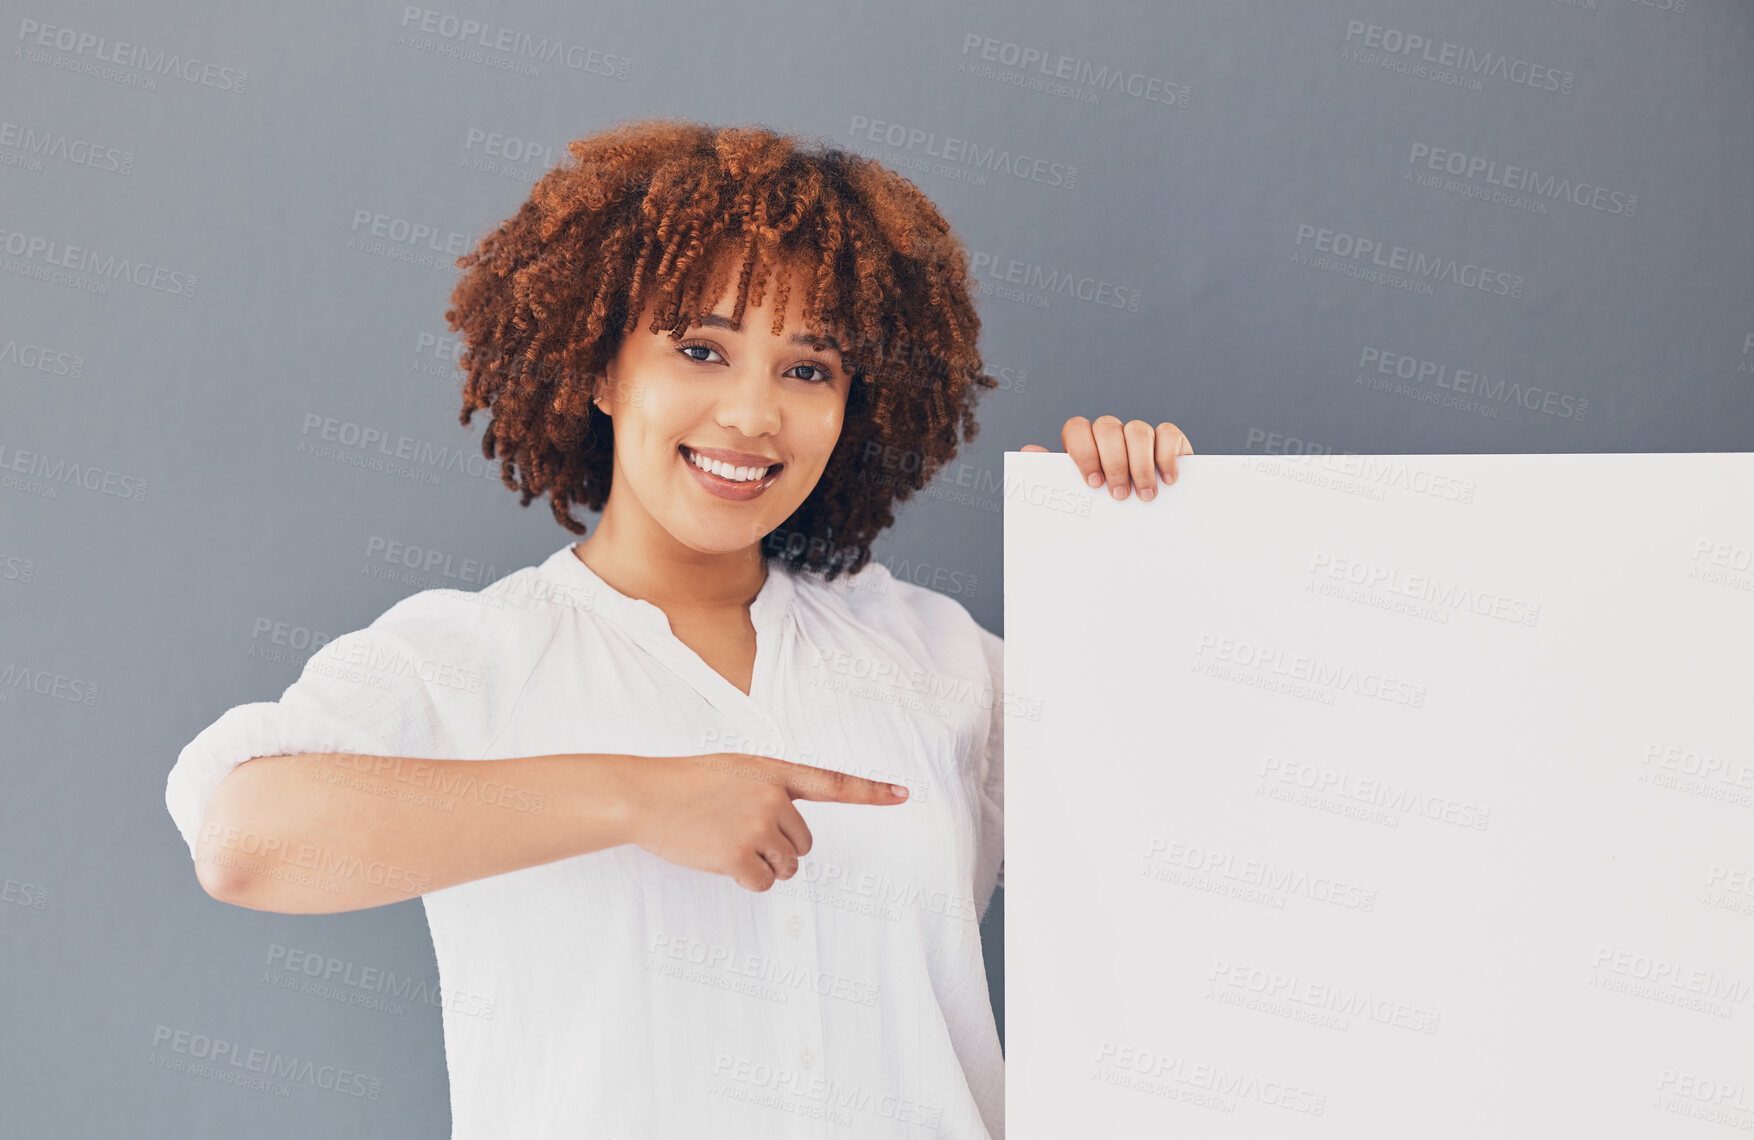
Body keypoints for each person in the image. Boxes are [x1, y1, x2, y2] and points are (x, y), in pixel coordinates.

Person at [164, 119, 1193, 1140]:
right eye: (701, 349)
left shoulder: (936, 657)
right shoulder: (468, 661)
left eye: (808, 369)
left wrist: (1137, 555)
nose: (752, 416)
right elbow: (246, 843)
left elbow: (1179, 843)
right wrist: (635, 796)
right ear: (599, 369)